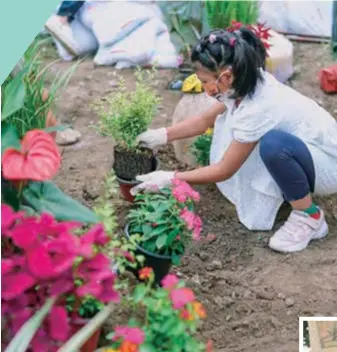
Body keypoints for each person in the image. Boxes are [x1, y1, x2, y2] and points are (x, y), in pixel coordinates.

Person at [131, 27, 337, 253]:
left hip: (328, 164)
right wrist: (161, 135)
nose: (202, 86)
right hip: (306, 153)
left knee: (273, 146)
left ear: (225, 76)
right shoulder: (242, 84)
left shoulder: (259, 105)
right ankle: (295, 189)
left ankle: (310, 216)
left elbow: (224, 169)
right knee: (272, 146)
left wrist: (171, 178)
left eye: (204, 80)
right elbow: (203, 121)